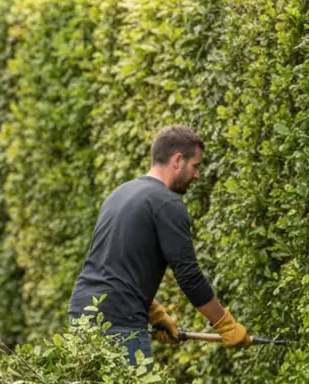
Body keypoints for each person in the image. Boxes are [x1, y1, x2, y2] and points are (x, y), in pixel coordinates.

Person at [68, 124, 251, 363]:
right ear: (177, 159)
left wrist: (154, 312)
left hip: (82, 313)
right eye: (195, 166)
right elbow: (189, 276)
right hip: (119, 323)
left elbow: (111, 265)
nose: (197, 175)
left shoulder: (119, 194)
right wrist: (225, 324)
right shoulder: (167, 203)